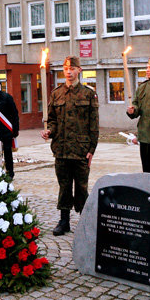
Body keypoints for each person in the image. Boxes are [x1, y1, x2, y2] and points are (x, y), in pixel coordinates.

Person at [40, 56, 99, 236]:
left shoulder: (88, 94)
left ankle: (85, 221)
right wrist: (49, 131)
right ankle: (64, 221)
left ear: (79, 70)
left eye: (72, 68)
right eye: (66, 68)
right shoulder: (56, 94)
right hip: (62, 149)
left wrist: (91, 150)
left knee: (82, 187)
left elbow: (94, 124)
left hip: (81, 150)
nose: (69, 71)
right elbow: (52, 120)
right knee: (64, 186)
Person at [0, 77, 19, 178]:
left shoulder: (6, 97)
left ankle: (10, 173)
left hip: (6, 130)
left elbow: (14, 114)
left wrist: (15, 130)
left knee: (8, 153)